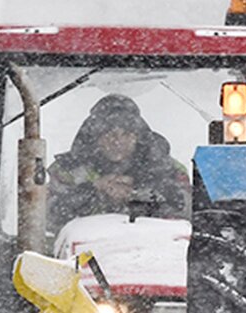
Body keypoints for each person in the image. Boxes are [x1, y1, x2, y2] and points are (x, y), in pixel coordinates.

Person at [46, 94, 190, 237]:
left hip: (157, 250)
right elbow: (46, 217)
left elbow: (188, 210)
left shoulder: (168, 169)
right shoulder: (66, 170)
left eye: (126, 134)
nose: (117, 141)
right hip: (80, 255)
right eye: (108, 134)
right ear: (94, 138)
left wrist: (141, 191)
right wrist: (92, 189)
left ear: (138, 137)